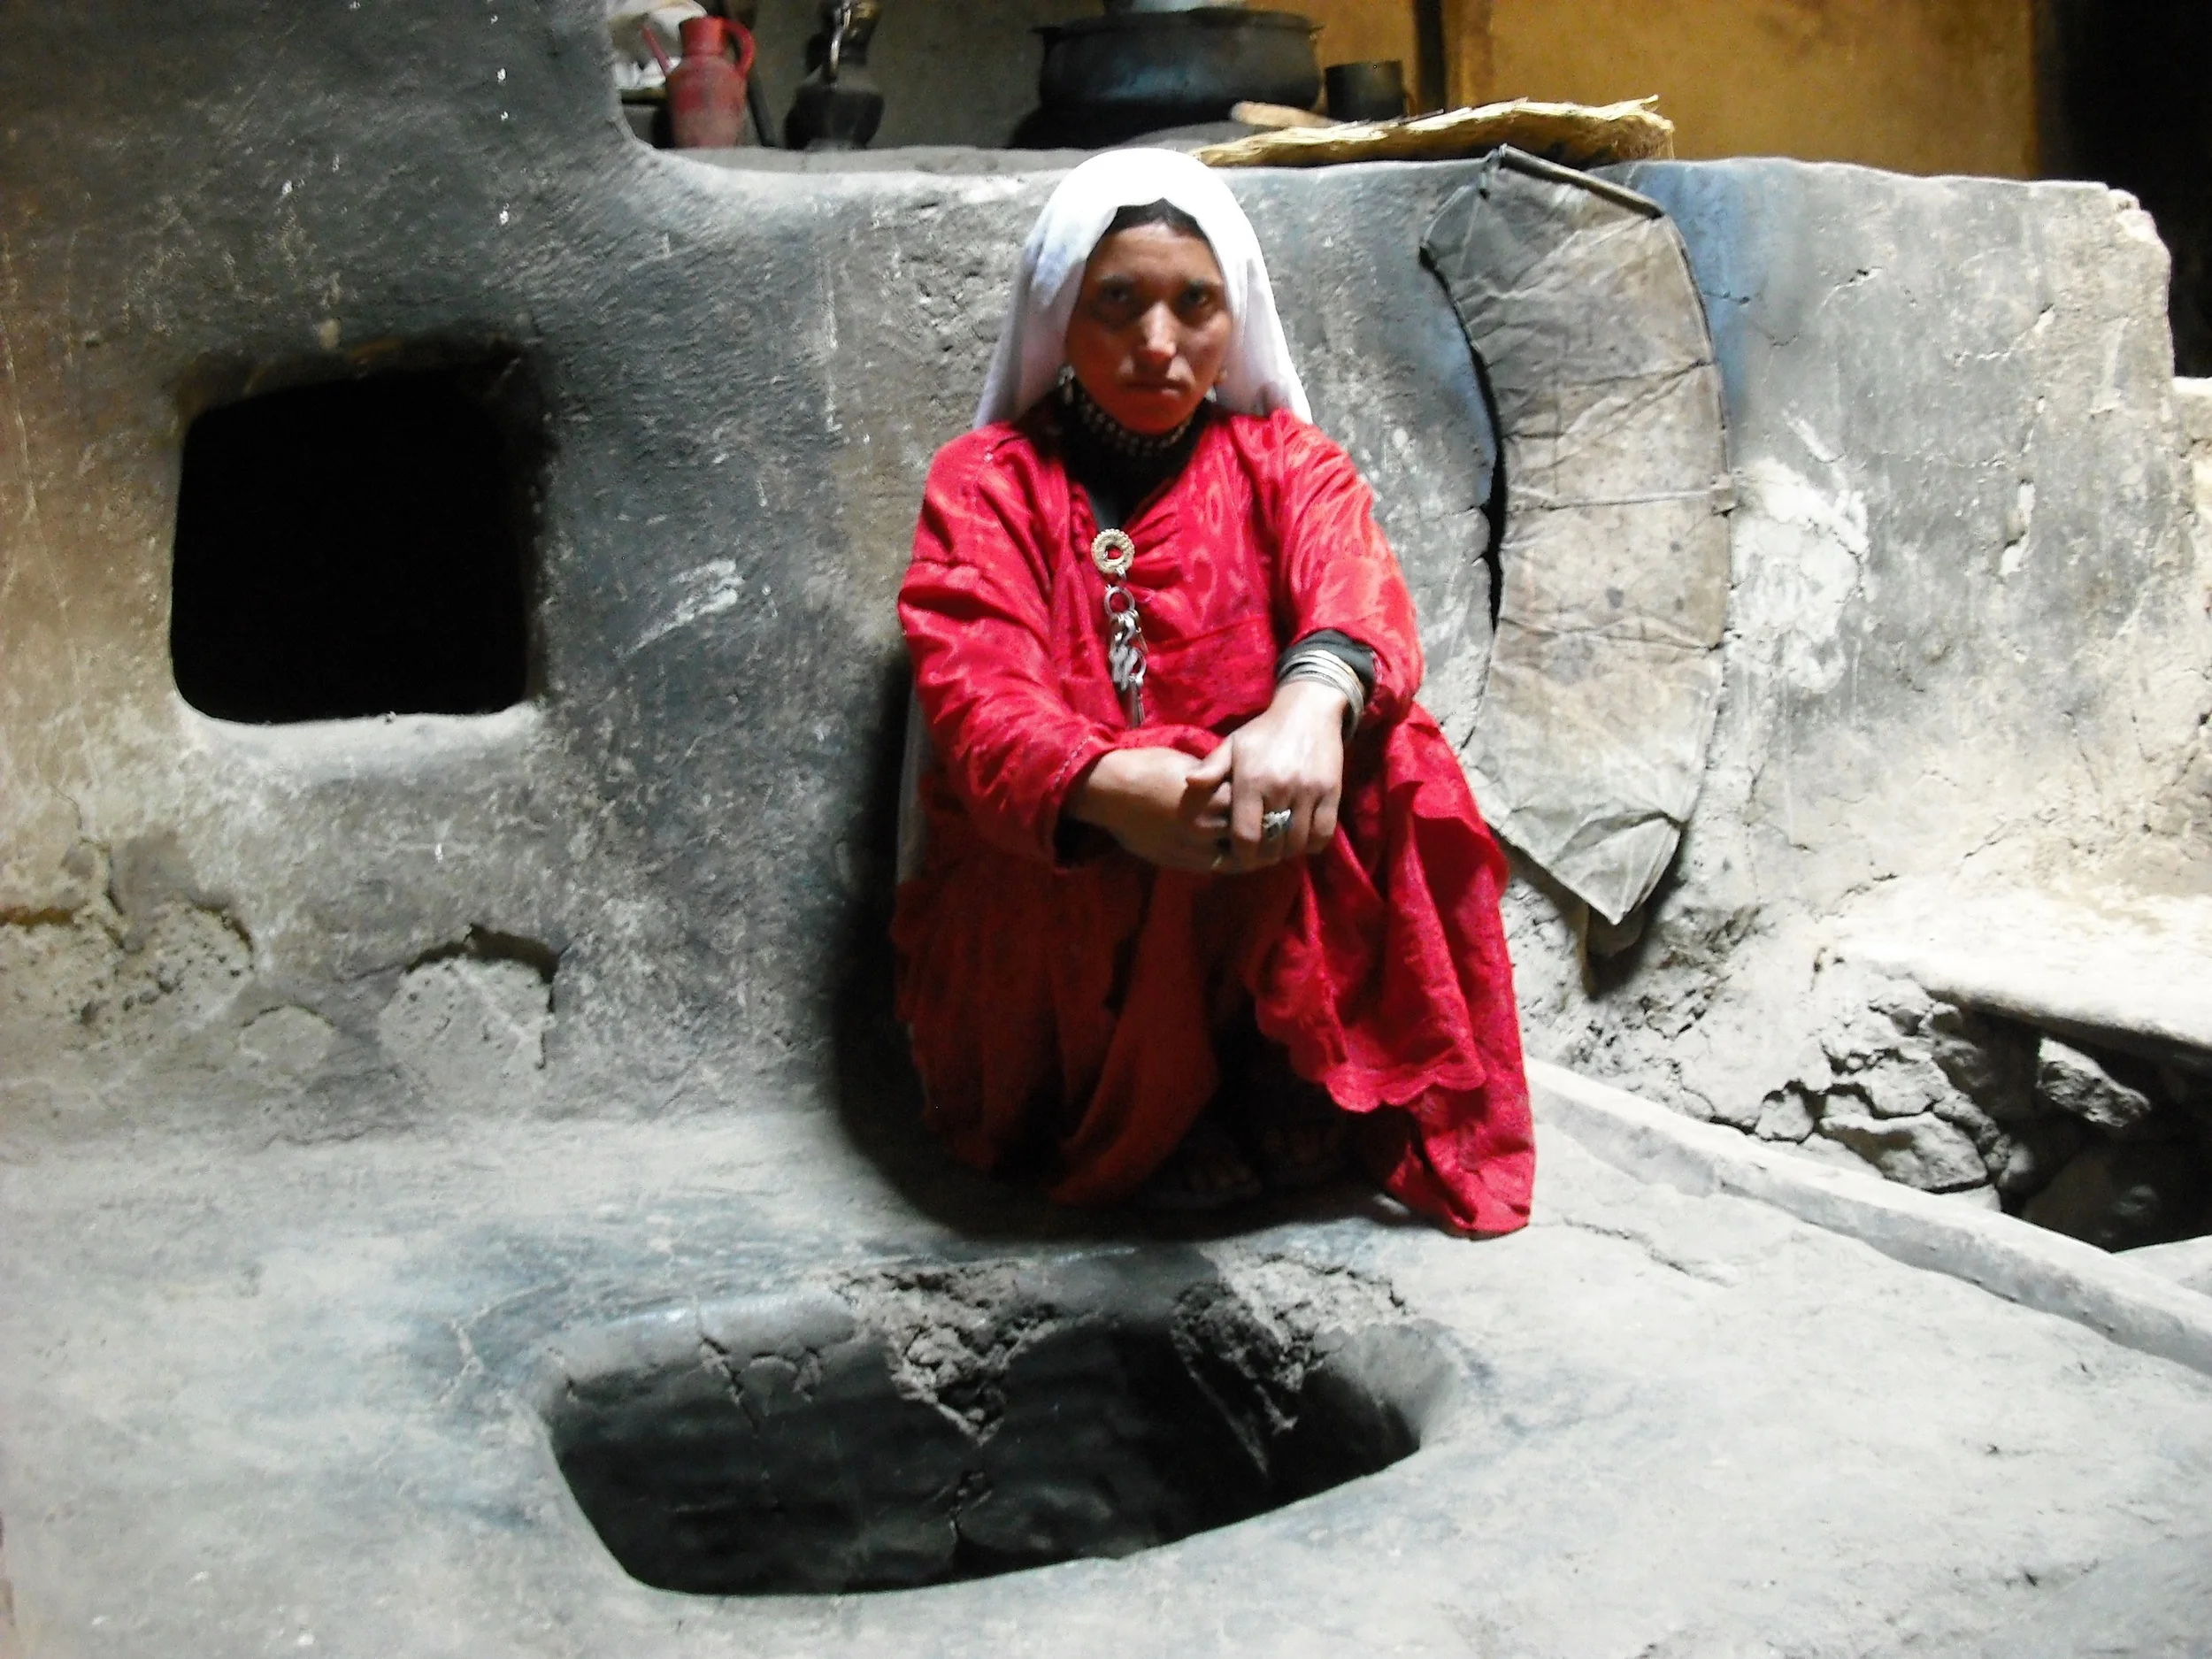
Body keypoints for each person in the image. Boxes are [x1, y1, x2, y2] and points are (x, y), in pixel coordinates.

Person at [892, 149, 1532, 1236]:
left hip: (1259, 827)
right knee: (1085, 835)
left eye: (1195, 305)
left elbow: (1357, 593)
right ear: (1058, 316)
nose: (1158, 345)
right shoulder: (988, 482)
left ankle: (1272, 1067)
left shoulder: (1285, 462)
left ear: (1235, 316)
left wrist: (1305, 708)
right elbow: (977, 698)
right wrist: (1103, 783)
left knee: (1399, 755)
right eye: (1117, 304)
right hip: (1081, 871)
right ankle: (1151, 1107)